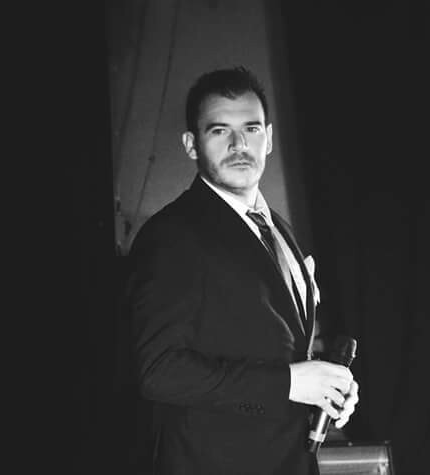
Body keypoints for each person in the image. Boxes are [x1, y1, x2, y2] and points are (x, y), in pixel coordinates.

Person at [126, 66, 358, 475]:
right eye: (219, 131)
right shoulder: (171, 234)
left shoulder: (278, 229)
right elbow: (158, 371)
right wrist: (290, 383)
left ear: (268, 137)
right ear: (191, 144)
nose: (239, 145)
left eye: (251, 129)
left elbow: (276, 350)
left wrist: (324, 390)